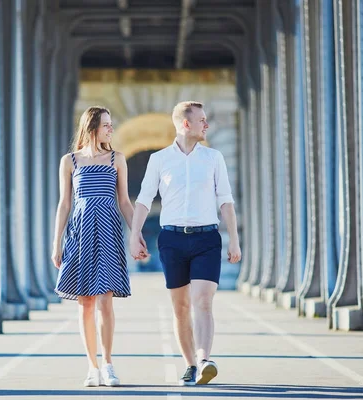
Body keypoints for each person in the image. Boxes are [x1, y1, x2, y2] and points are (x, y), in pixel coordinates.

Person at [129, 101, 241, 386]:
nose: (207, 124)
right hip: (172, 239)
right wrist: (135, 234)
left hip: (206, 238)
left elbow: (226, 201)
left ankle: (204, 359)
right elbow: (143, 199)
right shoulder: (160, 160)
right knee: (180, 308)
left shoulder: (214, 158)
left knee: (203, 301)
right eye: (201, 120)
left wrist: (234, 240)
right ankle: (190, 363)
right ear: (185, 124)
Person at [51, 106, 148, 387]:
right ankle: (92, 367)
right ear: (91, 127)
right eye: (106, 124)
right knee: (85, 304)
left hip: (107, 233)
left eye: (111, 124)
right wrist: (56, 243)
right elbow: (65, 204)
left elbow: (125, 203)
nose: (111, 129)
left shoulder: (117, 159)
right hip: (79, 234)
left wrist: (136, 234)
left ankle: (108, 364)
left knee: (105, 301)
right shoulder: (69, 162)